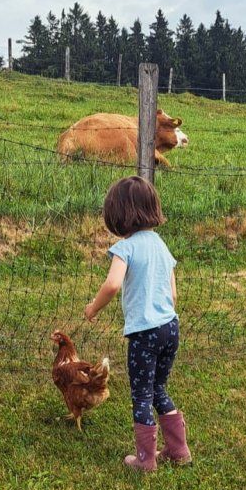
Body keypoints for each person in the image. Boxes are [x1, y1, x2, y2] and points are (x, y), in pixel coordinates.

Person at [84, 176, 191, 472]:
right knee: (159, 388)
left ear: (118, 214)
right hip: (171, 327)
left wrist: (93, 308)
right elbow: (173, 293)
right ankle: (179, 450)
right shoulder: (160, 245)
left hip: (145, 334)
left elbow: (113, 284)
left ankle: (145, 461)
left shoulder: (125, 248)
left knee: (141, 394)